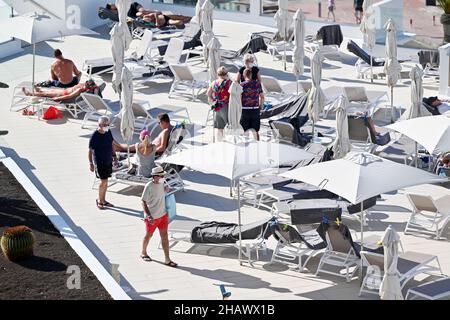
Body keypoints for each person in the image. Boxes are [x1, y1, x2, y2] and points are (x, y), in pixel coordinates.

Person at [140, 166, 178, 267]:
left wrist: (166, 190)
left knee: (164, 237)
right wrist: (149, 216)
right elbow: (143, 201)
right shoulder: (149, 186)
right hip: (152, 217)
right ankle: (143, 252)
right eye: (161, 175)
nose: (163, 177)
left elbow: (162, 193)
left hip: (163, 215)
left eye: (163, 175)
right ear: (155, 176)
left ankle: (167, 259)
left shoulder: (162, 183)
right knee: (149, 235)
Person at [88, 116, 122, 210]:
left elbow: (111, 145)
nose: (106, 126)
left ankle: (103, 200)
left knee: (106, 182)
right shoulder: (95, 135)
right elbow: (90, 151)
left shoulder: (108, 132)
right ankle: (99, 200)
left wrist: (114, 157)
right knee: (103, 181)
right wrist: (91, 163)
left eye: (107, 124)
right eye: (104, 125)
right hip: (100, 162)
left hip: (108, 160)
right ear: (99, 125)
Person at [207, 66, 232, 142]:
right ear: (226, 74)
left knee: (219, 128)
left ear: (218, 74)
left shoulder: (214, 82)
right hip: (226, 106)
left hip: (217, 106)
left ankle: (219, 143)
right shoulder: (229, 83)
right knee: (229, 126)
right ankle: (228, 142)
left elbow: (208, 93)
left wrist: (213, 101)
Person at [240, 68, 264, 141]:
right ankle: (257, 146)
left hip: (245, 110)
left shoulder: (242, 85)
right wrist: (260, 106)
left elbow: (240, 97)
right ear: (251, 75)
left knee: (244, 131)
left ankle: (245, 146)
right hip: (255, 109)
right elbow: (262, 97)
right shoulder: (257, 84)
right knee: (256, 131)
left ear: (244, 75)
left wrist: (241, 107)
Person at [22, 80, 98, 102]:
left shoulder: (79, 90)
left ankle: (29, 94)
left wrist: (58, 98)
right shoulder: (85, 87)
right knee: (48, 91)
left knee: (46, 94)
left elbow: (69, 96)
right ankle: (37, 90)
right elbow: (96, 87)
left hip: (61, 94)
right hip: (63, 91)